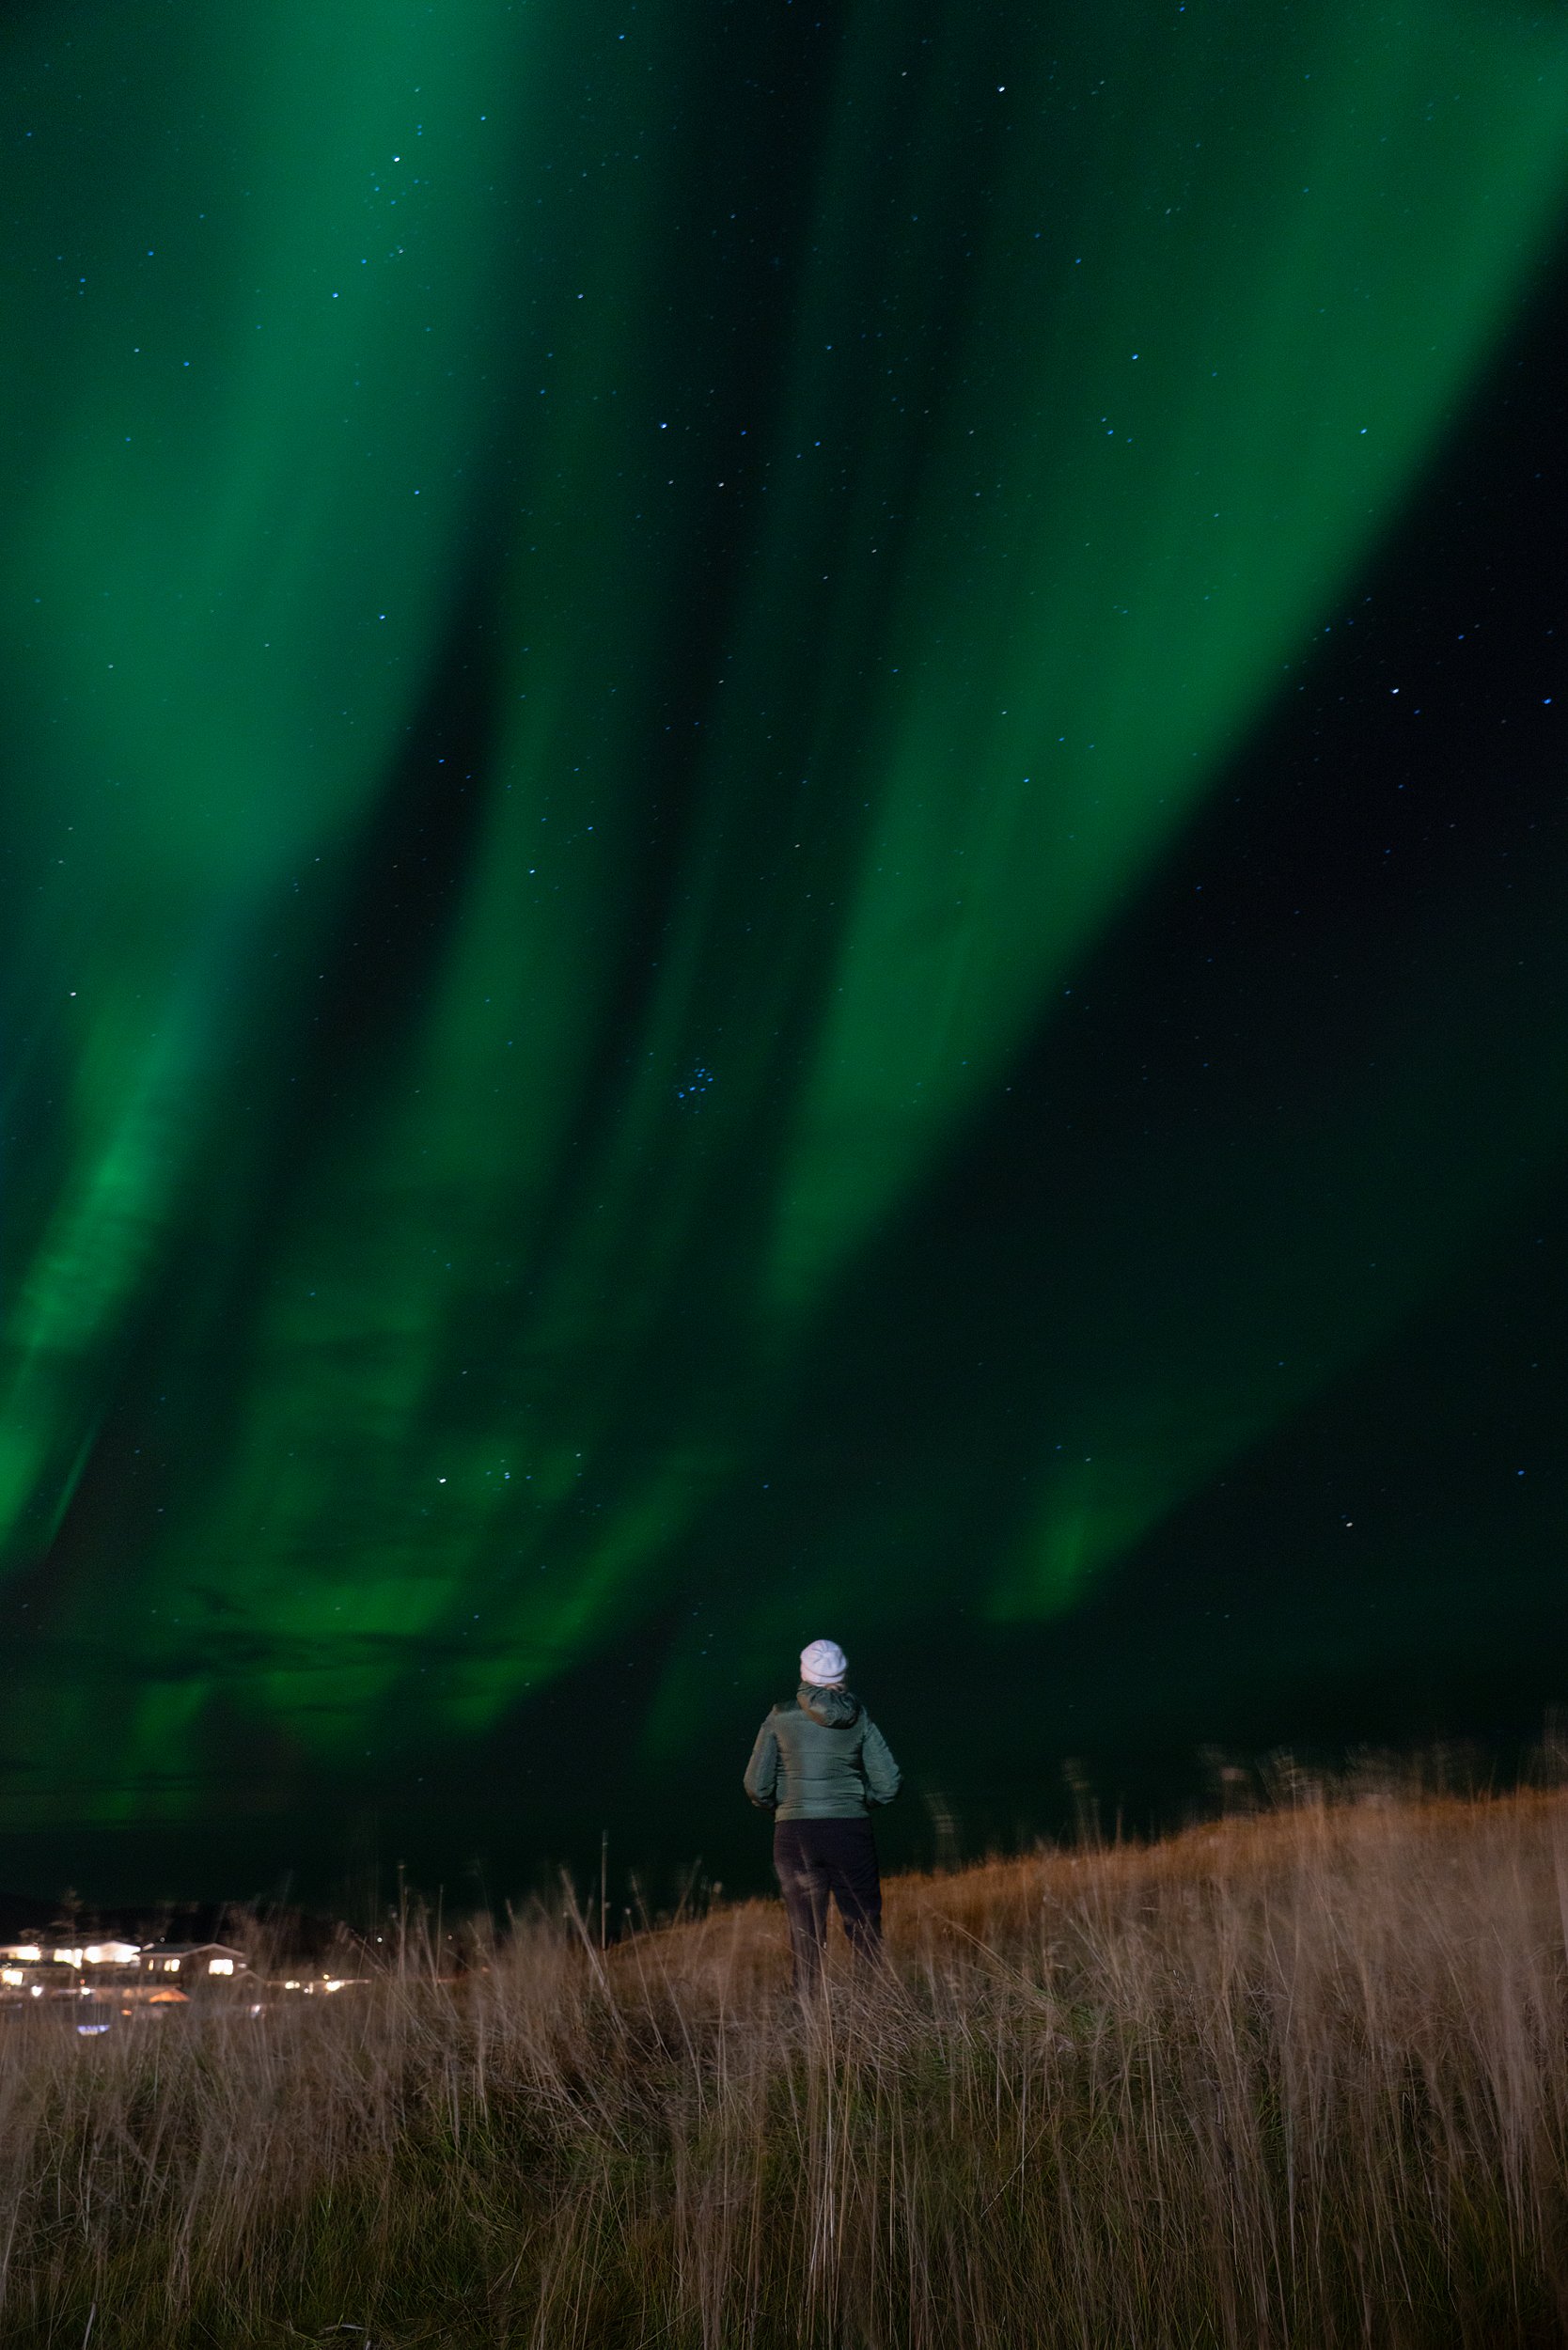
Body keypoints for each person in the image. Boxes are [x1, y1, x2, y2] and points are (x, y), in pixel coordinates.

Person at [744, 1637, 901, 1991]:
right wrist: (858, 1802)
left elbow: (756, 1786)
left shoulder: (779, 1717)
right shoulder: (859, 1717)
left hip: (794, 1835)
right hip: (850, 1833)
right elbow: (888, 1785)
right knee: (864, 1925)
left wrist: (784, 1807)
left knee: (805, 1936)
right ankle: (874, 2015)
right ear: (842, 1673)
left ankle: (808, 2025)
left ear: (804, 1673)